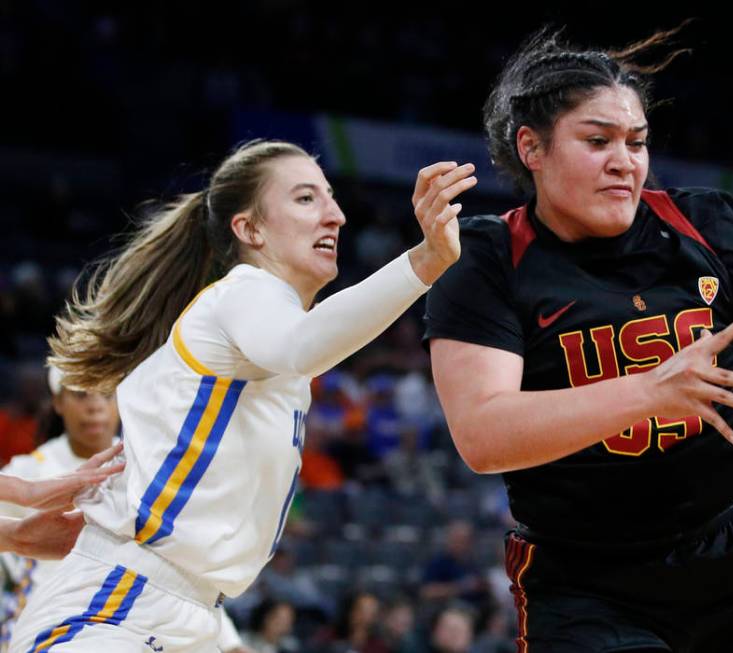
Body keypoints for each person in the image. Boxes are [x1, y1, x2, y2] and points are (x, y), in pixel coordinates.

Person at [424, 29, 733, 652]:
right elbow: (484, 437)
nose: (624, 160)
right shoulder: (485, 260)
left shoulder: (703, 222)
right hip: (588, 586)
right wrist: (653, 390)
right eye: (597, 141)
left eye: (637, 142)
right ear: (532, 148)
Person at [10, 139, 473, 651]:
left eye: (331, 197)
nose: (336, 215)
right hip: (118, 608)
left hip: (181, 611)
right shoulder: (245, 291)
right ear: (249, 229)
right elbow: (306, 344)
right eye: (305, 199)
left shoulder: (265, 334)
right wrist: (424, 261)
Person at [0, 366, 252, 652]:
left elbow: (179, 564)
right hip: (46, 623)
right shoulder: (27, 469)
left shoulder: (150, 465)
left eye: (106, 395)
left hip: (136, 623)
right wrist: (22, 513)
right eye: (81, 396)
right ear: (58, 403)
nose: (95, 407)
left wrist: (230, 642)